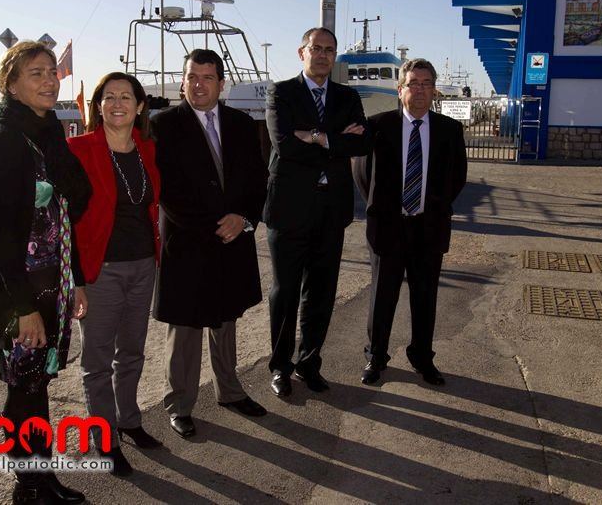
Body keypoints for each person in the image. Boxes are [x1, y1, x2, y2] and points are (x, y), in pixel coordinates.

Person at [0, 40, 91, 504]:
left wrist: (74, 280)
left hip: (52, 285)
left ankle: (42, 477)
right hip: (18, 293)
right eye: (35, 73)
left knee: (38, 384)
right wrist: (22, 309)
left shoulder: (48, 135)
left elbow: (64, 219)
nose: (49, 81)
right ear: (11, 84)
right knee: (23, 389)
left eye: (51, 72)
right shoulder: (2, 142)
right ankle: (27, 485)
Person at [152, 49, 268, 438]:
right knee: (185, 329)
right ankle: (179, 405)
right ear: (183, 82)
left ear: (222, 83)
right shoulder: (163, 125)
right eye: (192, 77)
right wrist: (217, 226)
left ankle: (230, 392)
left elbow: (257, 179)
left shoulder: (242, 124)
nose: (199, 85)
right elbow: (167, 191)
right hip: (187, 243)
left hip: (233, 241)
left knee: (226, 320)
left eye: (207, 77)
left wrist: (243, 218)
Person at [263, 27, 369, 397]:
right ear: (301, 52)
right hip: (289, 210)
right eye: (316, 48)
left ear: (334, 56)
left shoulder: (347, 96)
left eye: (329, 50)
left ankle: (309, 363)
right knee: (285, 292)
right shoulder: (281, 92)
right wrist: (336, 141)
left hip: (331, 211)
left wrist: (317, 136)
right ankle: (280, 367)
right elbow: (285, 145)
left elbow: (363, 143)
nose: (322, 55)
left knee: (321, 293)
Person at [67, 72, 162, 477]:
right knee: (97, 360)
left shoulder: (148, 149)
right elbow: (64, 221)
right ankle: (104, 439)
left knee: (133, 352)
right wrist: (75, 280)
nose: (118, 103)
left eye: (126, 97)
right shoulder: (78, 149)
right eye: (109, 97)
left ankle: (129, 420)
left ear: (139, 106)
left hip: (143, 265)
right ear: (98, 106)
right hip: (99, 271)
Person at [352, 58, 467, 387]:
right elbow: (362, 173)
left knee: (425, 296)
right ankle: (376, 356)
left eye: (426, 83)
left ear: (434, 90)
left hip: (428, 227)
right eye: (413, 83)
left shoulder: (449, 130)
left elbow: (457, 177)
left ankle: (422, 357)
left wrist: (431, 207)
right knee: (382, 296)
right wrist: (384, 208)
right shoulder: (378, 126)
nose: (420, 90)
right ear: (399, 89)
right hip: (388, 226)